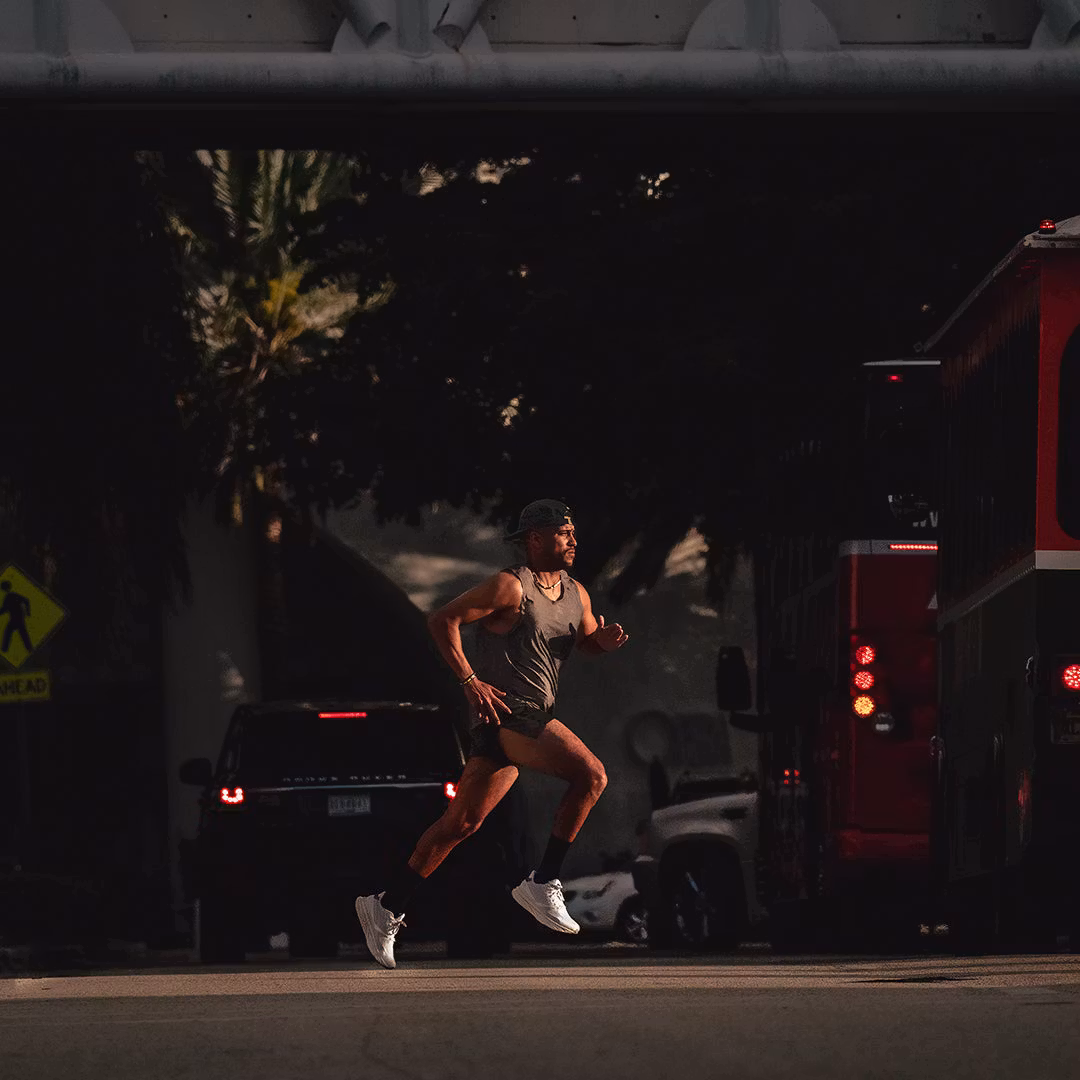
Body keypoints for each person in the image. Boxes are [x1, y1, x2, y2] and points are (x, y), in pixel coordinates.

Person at [355, 498, 629, 968]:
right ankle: (543, 880)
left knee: (462, 823)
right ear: (536, 539)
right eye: (564, 533)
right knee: (592, 775)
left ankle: (386, 905)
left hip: (519, 718)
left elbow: (584, 640)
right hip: (511, 712)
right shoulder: (510, 586)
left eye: (573, 532)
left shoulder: (577, 593)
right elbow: (442, 619)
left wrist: (600, 644)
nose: (573, 540)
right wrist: (469, 680)